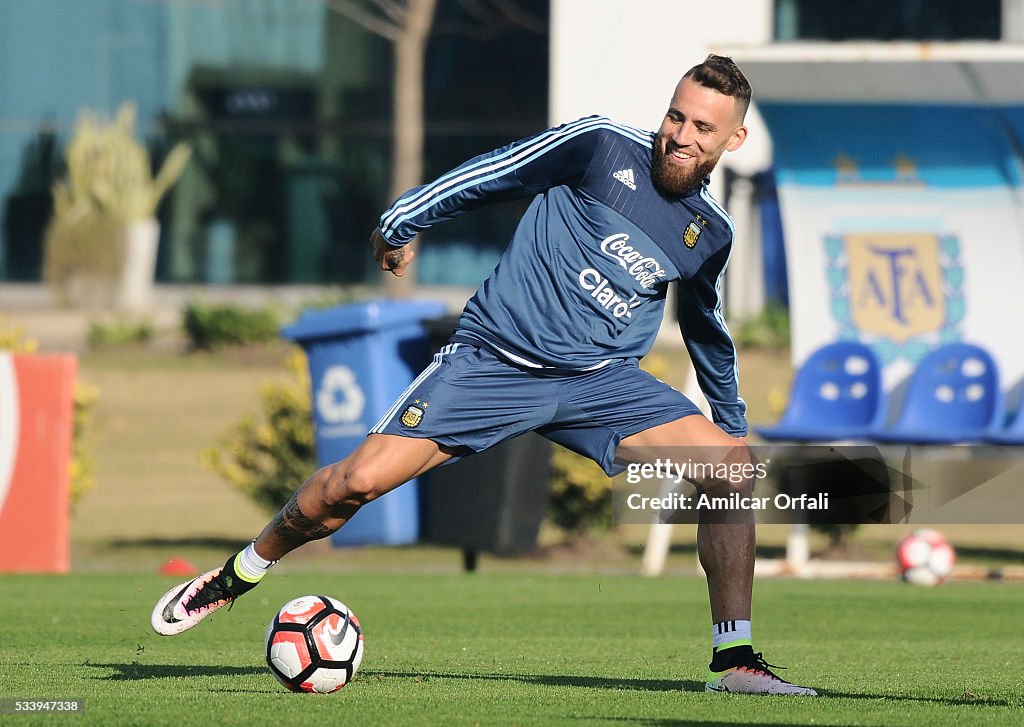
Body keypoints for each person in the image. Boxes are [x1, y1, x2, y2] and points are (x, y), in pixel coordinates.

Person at [152, 54, 816, 696]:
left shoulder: (711, 231)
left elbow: (706, 328)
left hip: (599, 383)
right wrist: (404, 218)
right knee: (350, 485)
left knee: (731, 467)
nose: (681, 136)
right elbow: (497, 172)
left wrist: (730, 427)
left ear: (736, 138)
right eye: (676, 117)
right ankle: (239, 572)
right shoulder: (601, 146)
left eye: (703, 128)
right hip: (493, 362)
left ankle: (734, 659)